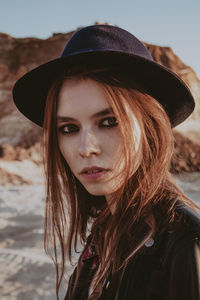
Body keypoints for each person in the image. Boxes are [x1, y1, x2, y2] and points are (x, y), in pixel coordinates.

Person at [12, 24, 200, 300]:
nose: (86, 148)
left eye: (109, 122)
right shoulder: (104, 234)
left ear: (149, 128)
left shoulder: (186, 245)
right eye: (68, 128)